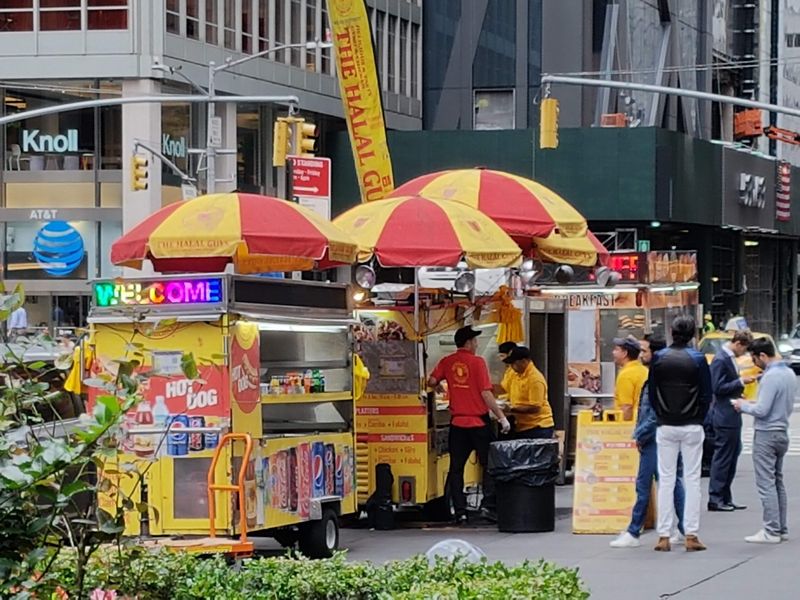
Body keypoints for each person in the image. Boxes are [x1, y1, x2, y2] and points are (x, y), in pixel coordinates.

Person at [428, 326, 510, 524]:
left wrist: (437, 385)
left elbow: (431, 379)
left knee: (456, 469)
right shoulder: (477, 362)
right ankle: (487, 507)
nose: (476, 344)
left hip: (457, 425)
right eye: (474, 341)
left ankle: (461, 512)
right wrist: (501, 417)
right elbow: (486, 393)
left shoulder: (447, 361)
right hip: (478, 423)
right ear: (468, 343)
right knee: (489, 465)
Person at [610, 334, 686, 548]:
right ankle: (684, 528)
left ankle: (634, 532)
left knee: (645, 484)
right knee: (672, 482)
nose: (641, 354)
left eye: (645, 351)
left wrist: (639, 435)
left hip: (654, 438)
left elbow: (649, 414)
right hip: (666, 435)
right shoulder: (653, 376)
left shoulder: (646, 378)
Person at [649, 316, 711, 552]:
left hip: (665, 424)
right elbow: (707, 393)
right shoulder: (697, 359)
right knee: (692, 479)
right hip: (692, 424)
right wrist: (699, 416)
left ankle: (664, 535)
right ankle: (691, 534)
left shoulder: (659, 359)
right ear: (693, 335)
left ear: (672, 333)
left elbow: (652, 393)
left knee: (666, 479)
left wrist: (661, 414)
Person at [733, 337, 796, 544]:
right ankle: (781, 527)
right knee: (777, 481)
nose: (754, 364)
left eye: (754, 359)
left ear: (762, 355)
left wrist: (743, 405)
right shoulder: (788, 374)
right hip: (782, 431)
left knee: (766, 483)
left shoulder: (770, 377)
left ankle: (771, 529)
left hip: (767, 433)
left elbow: (762, 410)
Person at [707, 329, 754, 512]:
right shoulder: (721, 360)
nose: (744, 354)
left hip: (731, 413)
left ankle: (725, 496)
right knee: (723, 457)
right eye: (745, 349)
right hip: (724, 415)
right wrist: (740, 382)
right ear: (738, 344)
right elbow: (717, 387)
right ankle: (716, 497)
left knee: (732, 455)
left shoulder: (728, 358)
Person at [502, 346, 554, 439]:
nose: (512, 367)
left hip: (538, 427)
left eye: (514, 363)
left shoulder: (535, 379)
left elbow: (535, 408)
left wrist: (511, 409)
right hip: (522, 426)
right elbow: (505, 389)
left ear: (524, 361)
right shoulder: (516, 374)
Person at [613, 335, 649, 421]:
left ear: (625, 353)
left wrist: (622, 430)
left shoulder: (626, 375)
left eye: (616, 349)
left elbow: (626, 407)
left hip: (632, 424)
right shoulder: (644, 370)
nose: (613, 352)